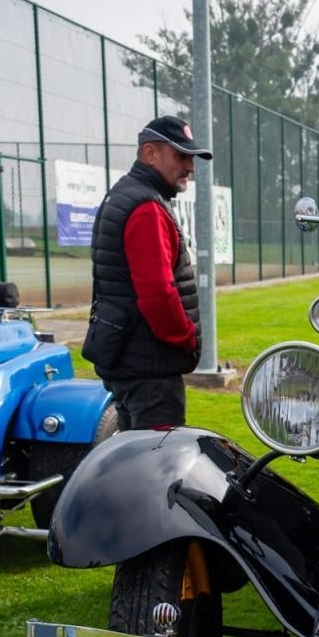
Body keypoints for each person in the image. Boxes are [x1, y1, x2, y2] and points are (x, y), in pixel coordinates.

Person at [82, 114, 210, 430]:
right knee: (155, 469)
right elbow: (157, 295)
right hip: (149, 370)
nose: (190, 167)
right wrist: (187, 339)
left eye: (191, 157)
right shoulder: (146, 207)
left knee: (132, 462)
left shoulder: (126, 194)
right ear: (150, 153)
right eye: (181, 155)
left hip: (130, 362)